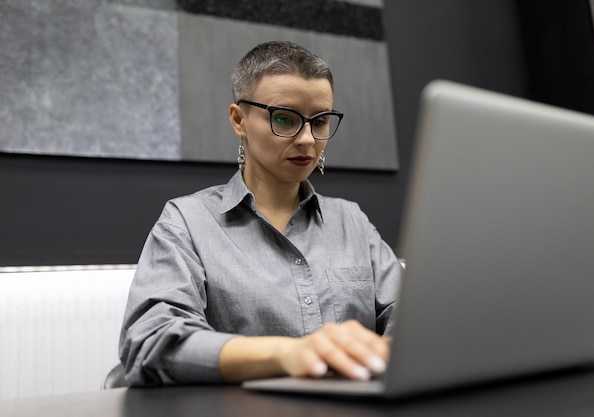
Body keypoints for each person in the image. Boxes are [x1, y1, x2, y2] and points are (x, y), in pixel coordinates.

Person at [119, 40, 402, 386]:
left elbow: (412, 319)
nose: (308, 140)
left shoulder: (352, 222)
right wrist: (287, 354)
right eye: (285, 119)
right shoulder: (187, 222)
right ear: (239, 120)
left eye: (321, 121)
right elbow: (149, 342)